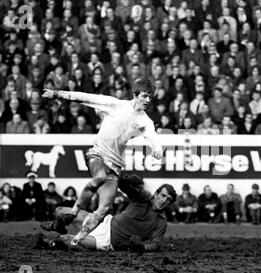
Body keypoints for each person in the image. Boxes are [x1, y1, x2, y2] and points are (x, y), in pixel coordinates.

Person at [42, 79, 163, 246]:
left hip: (114, 167)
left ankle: (75, 240)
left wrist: (158, 149)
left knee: (104, 209)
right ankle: (73, 213)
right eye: (145, 96)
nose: (148, 100)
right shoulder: (115, 105)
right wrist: (56, 94)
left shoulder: (145, 121)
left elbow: (153, 136)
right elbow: (85, 97)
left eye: (150, 97)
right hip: (97, 155)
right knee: (99, 177)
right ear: (135, 95)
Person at [38, 174, 176, 252]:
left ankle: (50, 241)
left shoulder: (161, 222)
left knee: (68, 240)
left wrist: (142, 247)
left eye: (168, 199)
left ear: (170, 203)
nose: (164, 201)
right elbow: (123, 186)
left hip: (108, 241)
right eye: (163, 196)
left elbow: (156, 244)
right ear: (156, 194)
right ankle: (58, 225)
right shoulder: (143, 197)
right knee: (60, 211)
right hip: (104, 222)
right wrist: (126, 180)